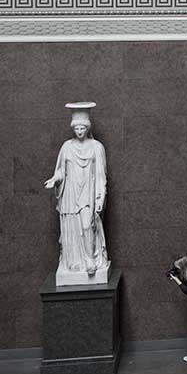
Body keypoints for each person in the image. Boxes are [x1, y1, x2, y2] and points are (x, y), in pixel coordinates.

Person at [44, 102, 109, 278]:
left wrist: (100, 197)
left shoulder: (97, 147)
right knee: (72, 228)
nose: (79, 131)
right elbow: (60, 171)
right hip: (71, 194)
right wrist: (54, 179)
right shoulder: (67, 147)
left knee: (88, 225)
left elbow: (101, 175)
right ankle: (74, 262)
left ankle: (90, 259)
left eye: (82, 128)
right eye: (76, 128)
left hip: (87, 194)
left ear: (87, 128)